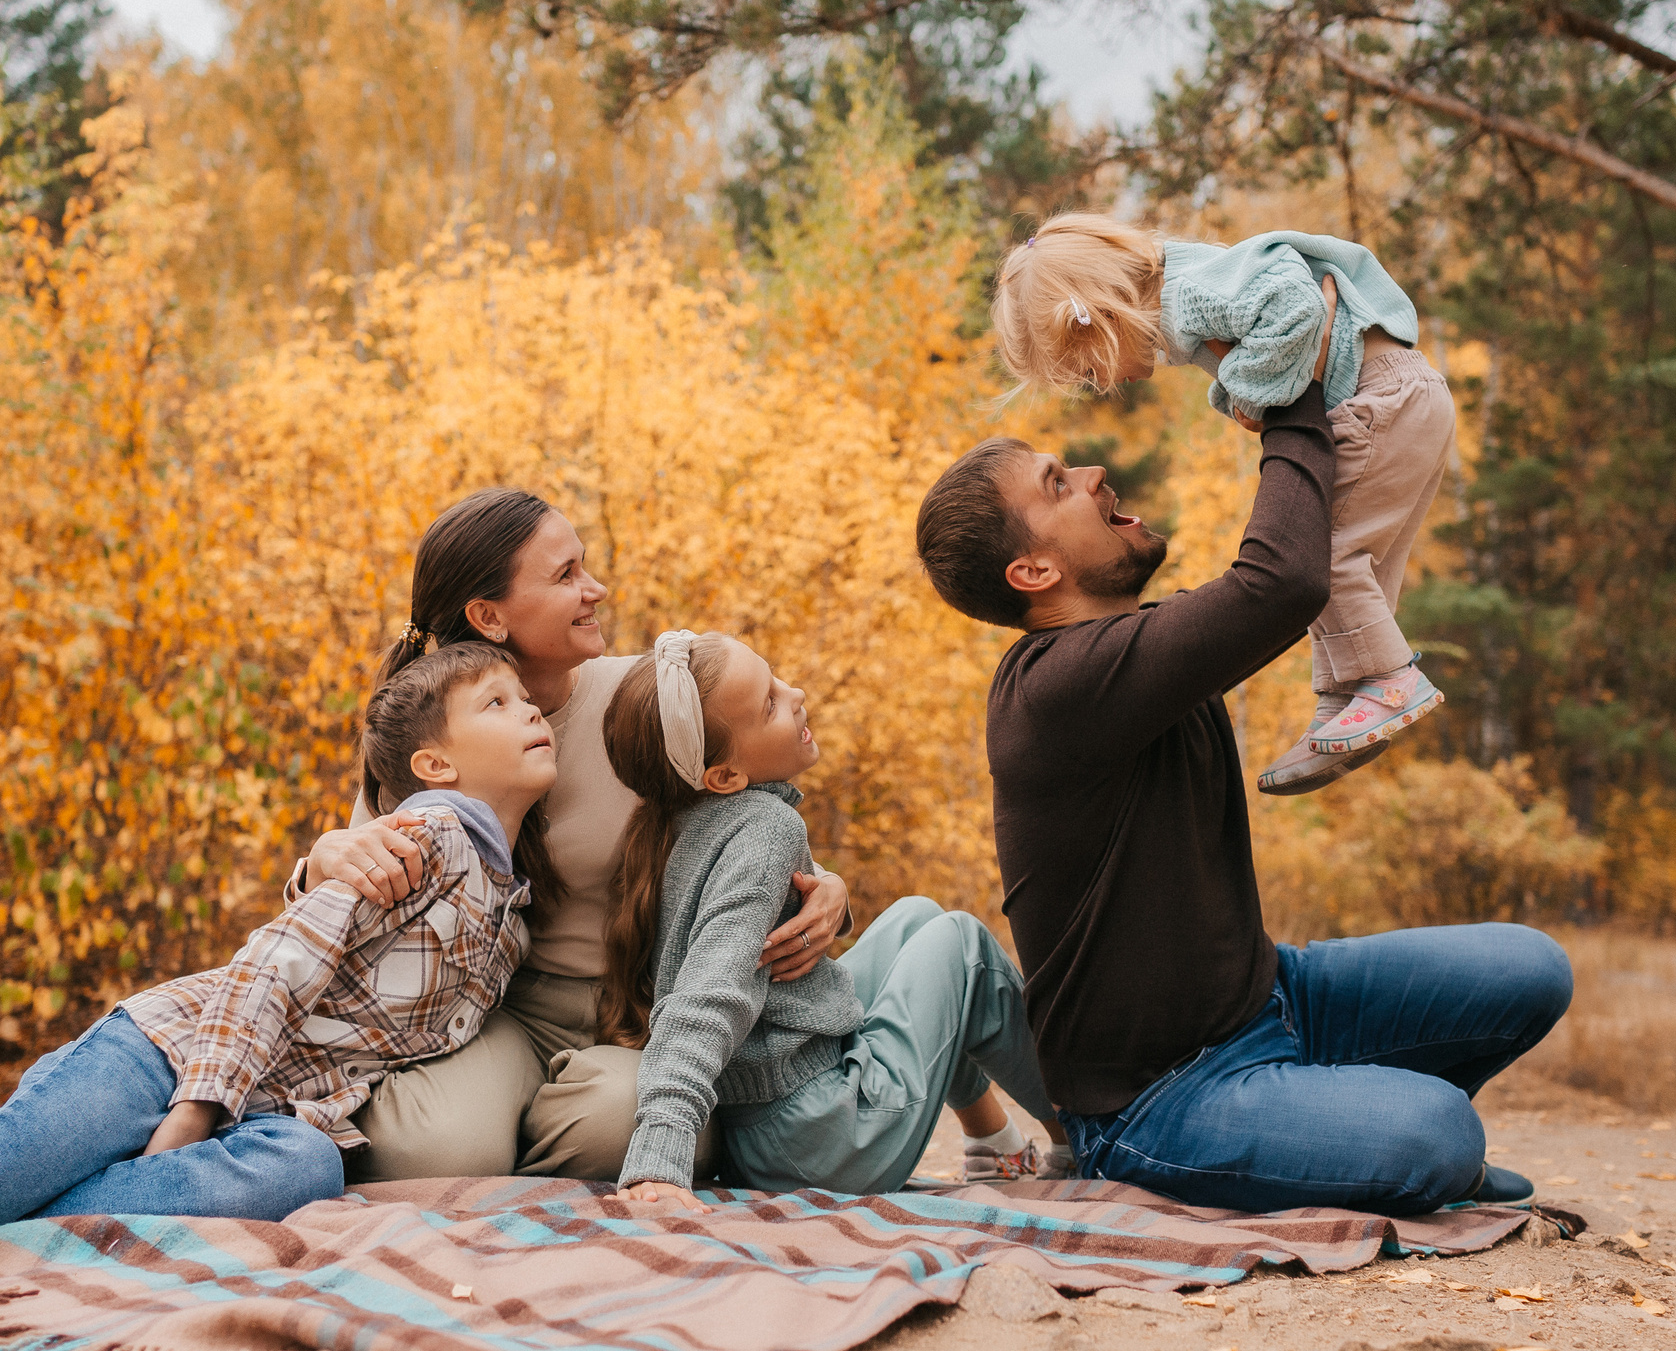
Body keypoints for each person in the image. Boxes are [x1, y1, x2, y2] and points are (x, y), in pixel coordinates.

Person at [912, 318, 1573, 1217]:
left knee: (1531, 968)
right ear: (1031, 568)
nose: (1095, 474)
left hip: (1275, 997)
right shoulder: (1051, 688)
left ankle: (1346, 1131)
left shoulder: (1131, 650)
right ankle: (1370, 1142)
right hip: (1159, 1097)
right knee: (1438, 1134)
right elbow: (1281, 582)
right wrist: (1288, 377)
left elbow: (1278, 579)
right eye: (1059, 484)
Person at [286, 489, 849, 1183]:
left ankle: (528, 1153)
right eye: (565, 576)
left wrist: (827, 891)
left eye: (585, 567)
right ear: (488, 616)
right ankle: (495, 1139)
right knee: (437, 1153)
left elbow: (750, 819)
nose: (596, 589)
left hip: (636, 1011)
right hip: (494, 1016)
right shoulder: (438, 731)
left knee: (630, 1121)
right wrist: (320, 863)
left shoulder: (642, 702)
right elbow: (352, 883)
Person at [0, 643, 549, 1222]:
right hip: (171, 1053)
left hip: (272, 1117)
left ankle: (41, 1230)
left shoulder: (509, 921)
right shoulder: (419, 841)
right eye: (497, 702)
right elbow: (276, 959)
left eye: (528, 699)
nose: (531, 711)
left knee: (311, 1167)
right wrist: (196, 1108)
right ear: (435, 766)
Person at [990, 213, 1458, 795]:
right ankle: (1345, 692)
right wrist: (1246, 388)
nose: (1102, 384)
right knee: (1357, 561)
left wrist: (1250, 389)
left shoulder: (1185, 295)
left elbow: (1296, 307)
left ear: (1101, 319)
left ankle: (1387, 679)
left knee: (1324, 552)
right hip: (1406, 396)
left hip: (1380, 398)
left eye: (1088, 369)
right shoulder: (1192, 280)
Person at [604, 631, 1071, 1210]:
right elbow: (709, 993)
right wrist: (661, 1158)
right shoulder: (766, 827)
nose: (795, 693)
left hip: (768, 1137)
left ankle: (994, 1147)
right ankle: (1084, 1136)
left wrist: (826, 890)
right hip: (827, 1143)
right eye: (768, 704)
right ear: (723, 775)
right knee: (962, 945)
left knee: (915, 918)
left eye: (777, 680)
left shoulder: (673, 825)